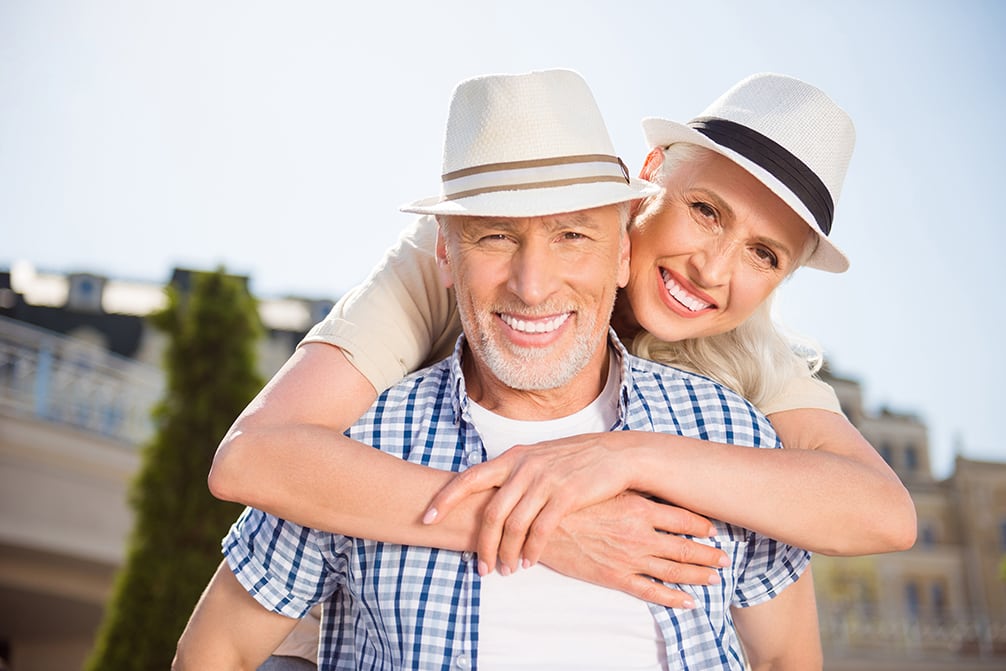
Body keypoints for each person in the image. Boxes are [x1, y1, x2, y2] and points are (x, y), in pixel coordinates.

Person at [174, 68, 821, 671]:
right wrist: (545, 524)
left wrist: (638, 459)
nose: (532, 285)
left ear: (622, 250)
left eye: (572, 235)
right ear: (444, 256)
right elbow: (217, 643)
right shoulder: (349, 443)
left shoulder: (728, 428)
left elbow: (795, 642)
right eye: (494, 236)